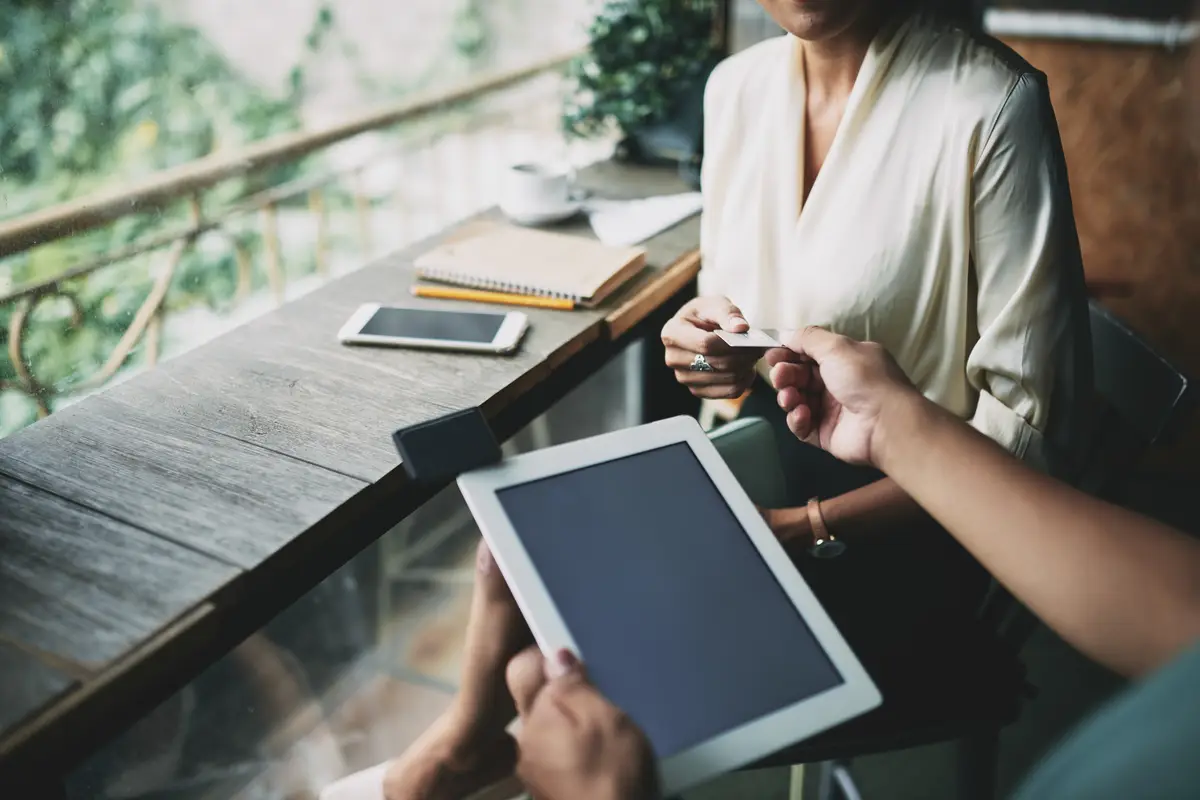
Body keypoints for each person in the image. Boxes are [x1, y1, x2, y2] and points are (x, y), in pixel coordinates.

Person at [333, 325, 1198, 800]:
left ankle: (449, 760)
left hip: (908, 576)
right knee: (532, 567)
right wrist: (896, 426)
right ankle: (456, 750)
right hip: (854, 461)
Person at [660, 0, 1092, 669]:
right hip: (770, 456)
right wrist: (708, 352)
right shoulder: (734, 88)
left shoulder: (991, 104)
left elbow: (1030, 438)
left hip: (928, 519)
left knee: (603, 617)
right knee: (535, 557)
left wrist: (808, 527)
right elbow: (722, 299)